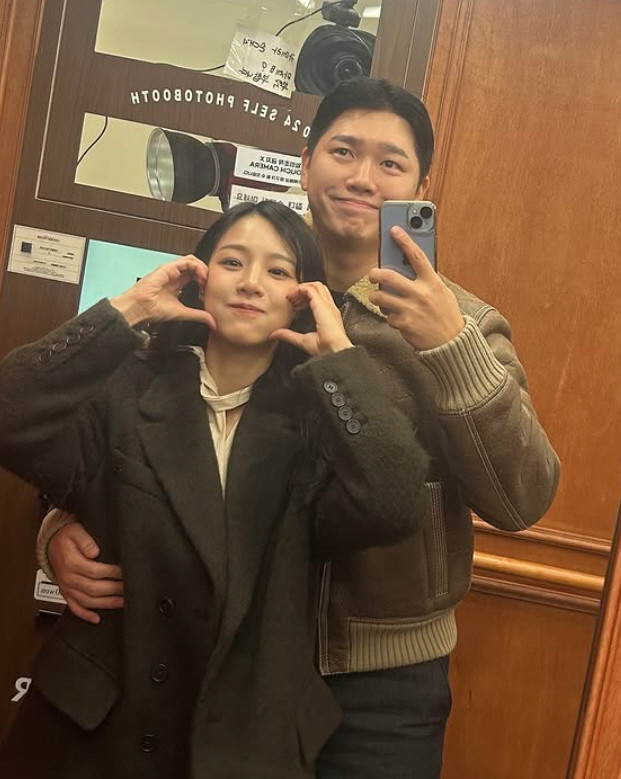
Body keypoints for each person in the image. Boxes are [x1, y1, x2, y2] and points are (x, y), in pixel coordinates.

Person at [39, 78, 561, 778]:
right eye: (343, 151)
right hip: (219, 654)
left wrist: (449, 346)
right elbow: (113, 425)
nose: (362, 176)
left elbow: (521, 498)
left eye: (390, 162)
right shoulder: (238, 290)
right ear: (307, 160)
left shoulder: (460, 322)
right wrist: (58, 523)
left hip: (379, 686)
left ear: (420, 186)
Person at [0, 200, 431, 778]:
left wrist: (342, 359)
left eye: (277, 270)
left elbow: (396, 502)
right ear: (199, 278)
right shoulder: (127, 386)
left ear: (303, 297)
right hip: (101, 725)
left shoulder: (317, 419)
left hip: (245, 735)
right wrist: (129, 310)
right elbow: (10, 412)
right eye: (232, 261)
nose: (250, 282)